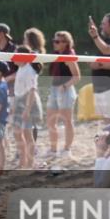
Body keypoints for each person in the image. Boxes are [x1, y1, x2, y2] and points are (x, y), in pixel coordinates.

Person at [44, 31, 80, 160]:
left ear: (66, 43)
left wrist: (64, 86)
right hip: (54, 89)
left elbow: (77, 77)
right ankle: (53, 149)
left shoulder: (68, 56)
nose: (55, 43)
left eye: (58, 41)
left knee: (67, 121)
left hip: (65, 89)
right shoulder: (55, 55)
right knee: (50, 121)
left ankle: (67, 149)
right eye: (54, 41)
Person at [89, 13, 110, 121]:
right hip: (102, 88)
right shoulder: (106, 42)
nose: (101, 26)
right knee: (107, 121)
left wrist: (98, 64)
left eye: (104, 24)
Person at [12, 45, 41, 168]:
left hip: (28, 103)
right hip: (20, 102)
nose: (13, 57)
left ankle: (30, 163)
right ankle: (23, 161)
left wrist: (27, 109)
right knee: (17, 133)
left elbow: (32, 91)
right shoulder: (22, 68)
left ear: (24, 57)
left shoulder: (29, 70)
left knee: (27, 134)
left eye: (16, 54)